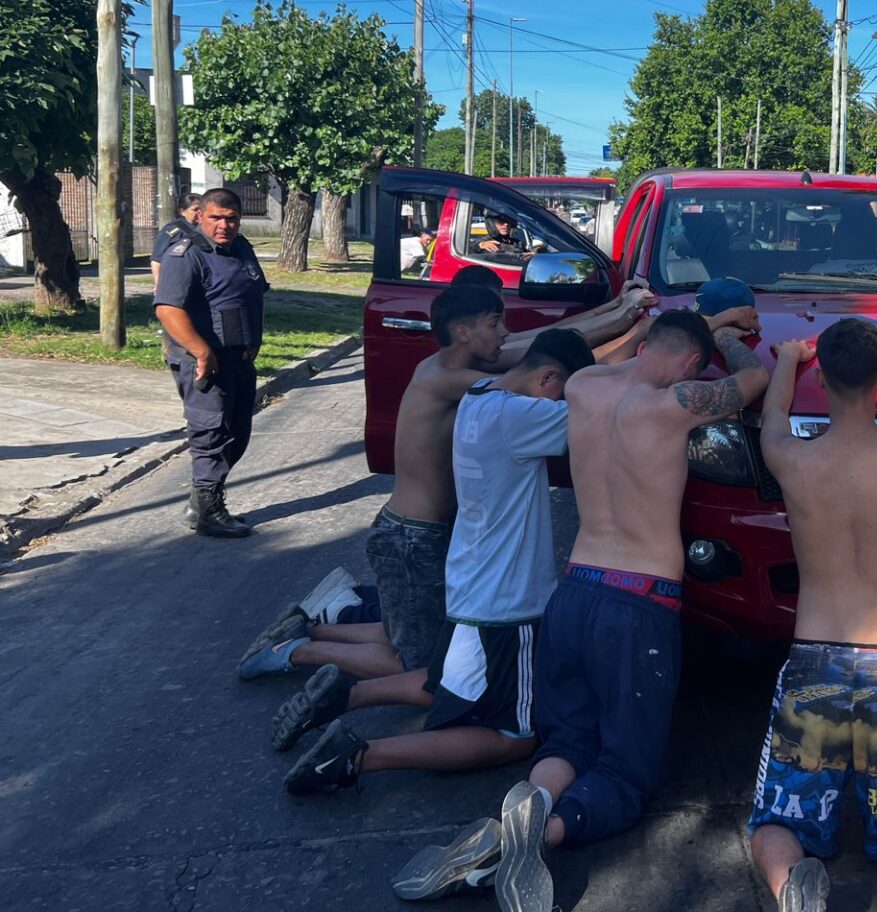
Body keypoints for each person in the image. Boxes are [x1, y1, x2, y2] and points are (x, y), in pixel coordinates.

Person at [238, 273, 659, 682]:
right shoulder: (452, 380)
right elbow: (547, 364)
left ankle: (310, 628)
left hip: (430, 535)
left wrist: (618, 311)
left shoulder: (463, 365)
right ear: (463, 332)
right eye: (496, 324)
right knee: (421, 664)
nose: (505, 334)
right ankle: (297, 652)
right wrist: (635, 335)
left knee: (427, 634)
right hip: (411, 538)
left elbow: (547, 343)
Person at [489, 307, 769, 912]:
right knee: (624, 771)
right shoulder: (678, 403)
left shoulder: (584, 385)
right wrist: (729, 338)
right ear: (692, 363)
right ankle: (546, 833)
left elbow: (616, 359)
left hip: (576, 588)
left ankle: (534, 797)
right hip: (639, 603)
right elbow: (753, 380)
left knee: (570, 736)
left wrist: (642, 332)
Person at [279, 329, 598, 797]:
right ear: (548, 378)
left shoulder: (480, 394)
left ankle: (344, 697)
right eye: (560, 394)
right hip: (508, 607)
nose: (558, 406)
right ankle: (359, 756)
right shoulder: (520, 417)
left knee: (442, 679)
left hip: (470, 584)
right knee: (515, 735)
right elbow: (608, 410)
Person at [749, 320, 877, 912]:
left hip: (815, 662)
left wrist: (789, 358)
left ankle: (793, 889)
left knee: (779, 819)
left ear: (824, 381)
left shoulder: (791, 457)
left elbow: (773, 416)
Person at [154, 187, 268, 539]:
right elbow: (168, 309)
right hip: (205, 362)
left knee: (238, 434)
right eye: (216, 218)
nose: (224, 225)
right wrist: (202, 351)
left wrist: (253, 343)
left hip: (238, 358)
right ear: (199, 216)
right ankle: (209, 511)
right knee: (211, 433)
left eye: (231, 218)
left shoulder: (242, 248)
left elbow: (252, 295)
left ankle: (200, 501)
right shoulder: (185, 254)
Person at [150, 191, 203, 287]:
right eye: (195, 209)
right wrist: (158, 284)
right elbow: (156, 260)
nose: (199, 213)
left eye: (201, 209)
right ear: (182, 212)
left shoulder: (206, 229)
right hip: (177, 280)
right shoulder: (172, 230)